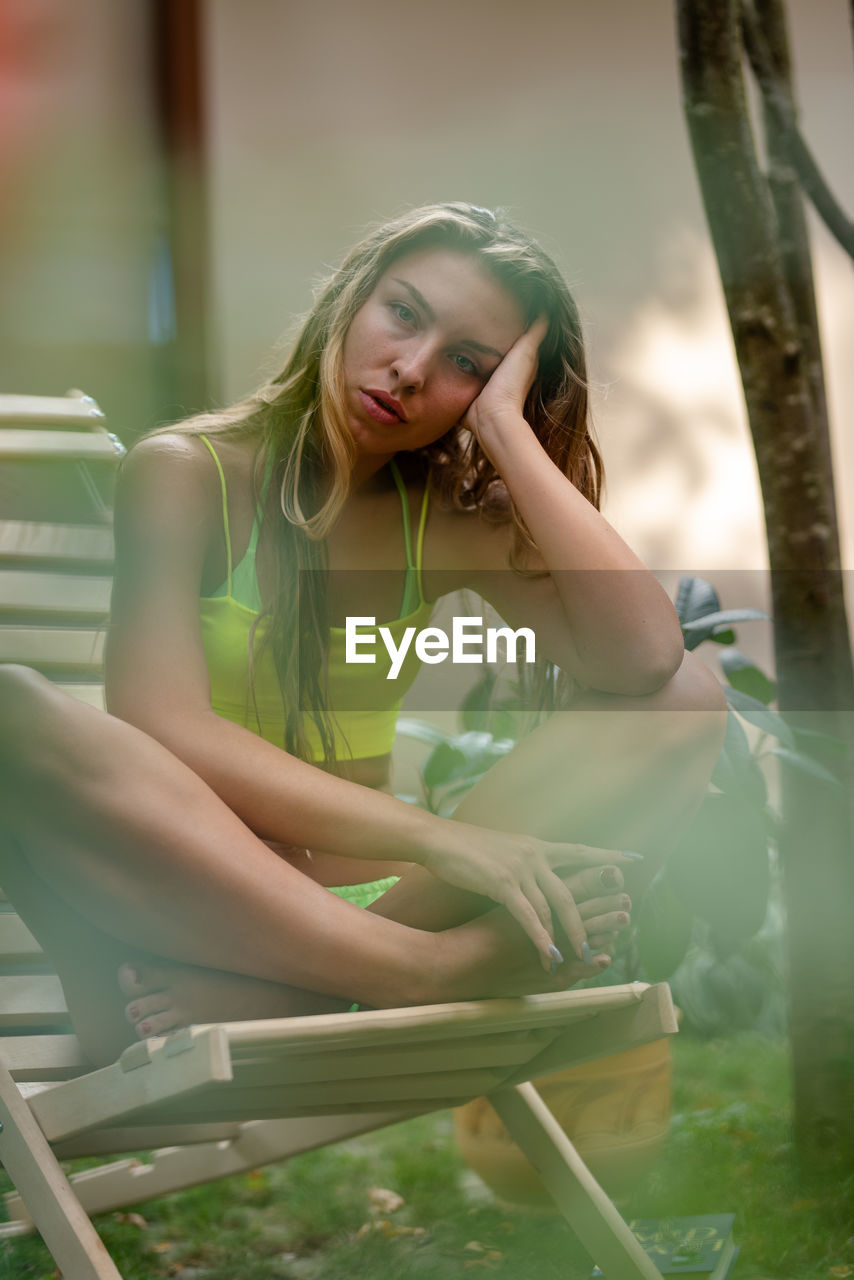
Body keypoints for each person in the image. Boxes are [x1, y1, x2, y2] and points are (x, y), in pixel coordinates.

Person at [0, 203, 726, 1068]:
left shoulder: (449, 520)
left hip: (384, 901)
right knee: (13, 708)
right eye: (404, 315)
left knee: (685, 701)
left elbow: (647, 660)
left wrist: (505, 431)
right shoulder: (186, 474)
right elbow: (163, 724)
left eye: (468, 364)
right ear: (350, 298)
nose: (411, 370)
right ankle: (418, 971)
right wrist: (443, 839)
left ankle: (326, 980)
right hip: (189, 938)